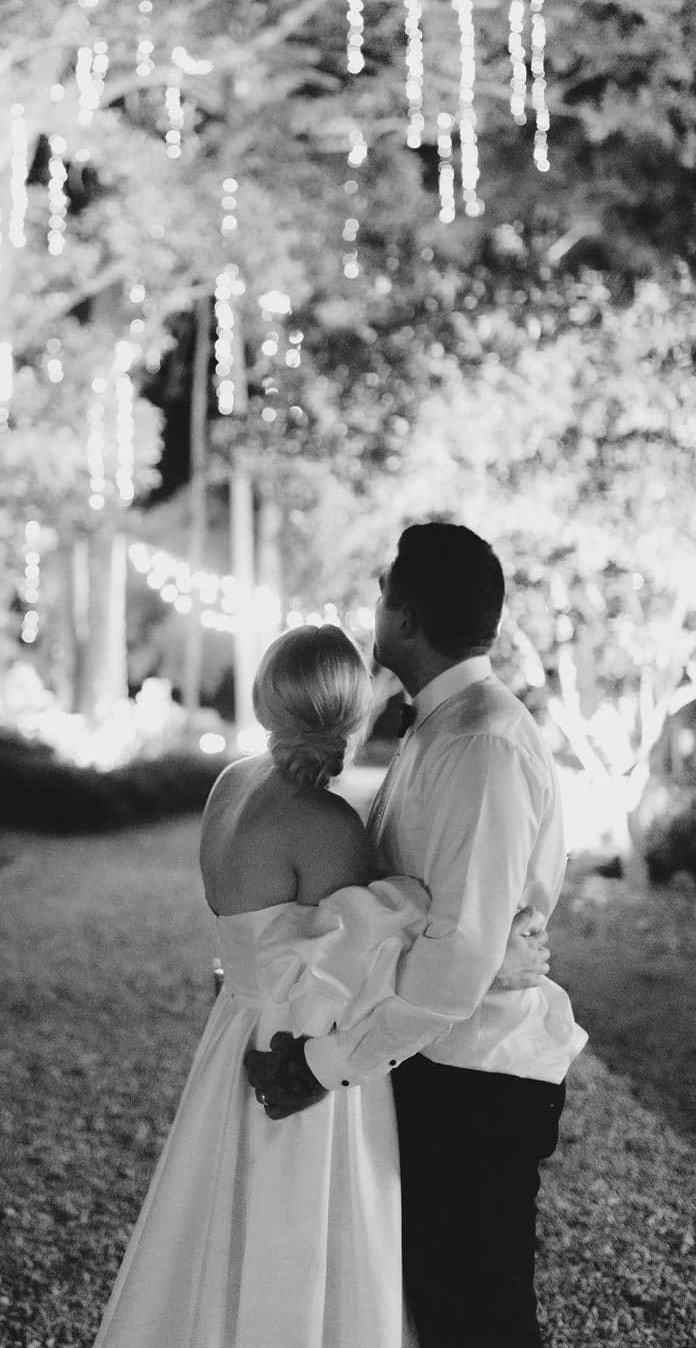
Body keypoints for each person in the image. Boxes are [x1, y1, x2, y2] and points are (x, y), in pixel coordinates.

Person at [92, 617, 551, 1348]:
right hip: (300, 1053)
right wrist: (498, 960)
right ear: (353, 711)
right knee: (301, 1238)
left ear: (267, 699)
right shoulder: (326, 823)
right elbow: (376, 971)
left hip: (236, 1034)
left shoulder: (230, 785)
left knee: (223, 1227)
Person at [245, 522, 587, 1348]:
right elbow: (427, 917)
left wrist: (325, 1065)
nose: (374, 608)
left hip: (479, 1077)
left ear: (404, 616)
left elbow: (456, 964)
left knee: (479, 1318)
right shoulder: (444, 724)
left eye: (383, 593)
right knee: (438, 1308)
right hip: (440, 1064)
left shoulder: (480, 744)